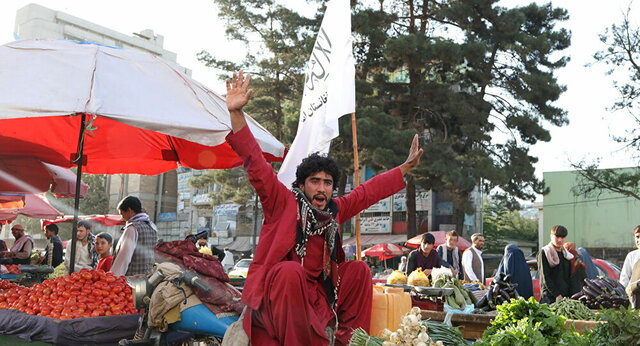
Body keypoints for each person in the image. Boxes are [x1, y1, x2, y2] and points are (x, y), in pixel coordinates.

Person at [224, 71, 423, 345]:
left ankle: (349, 340)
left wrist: (404, 168)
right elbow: (257, 165)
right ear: (303, 185)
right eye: (314, 181)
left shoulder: (333, 211)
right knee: (290, 273)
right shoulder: (282, 203)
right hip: (279, 298)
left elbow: (366, 193)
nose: (321, 188)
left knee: (360, 270)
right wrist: (237, 115)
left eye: (327, 183)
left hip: (318, 296)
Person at [111, 195, 158, 276]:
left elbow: (124, 257)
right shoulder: (152, 226)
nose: (123, 218)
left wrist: (113, 277)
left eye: (122, 214)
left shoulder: (132, 228)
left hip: (132, 279)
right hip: (147, 277)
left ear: (129, 210)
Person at [537, 225, 573, 304]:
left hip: (564, 297)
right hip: (550, 298)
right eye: (557, 237)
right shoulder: (545, 252)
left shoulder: (566, 254)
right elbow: (545, 277)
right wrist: (557, 295)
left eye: (562, 237)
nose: (560, 240)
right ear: (551, 236)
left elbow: (568, 277)